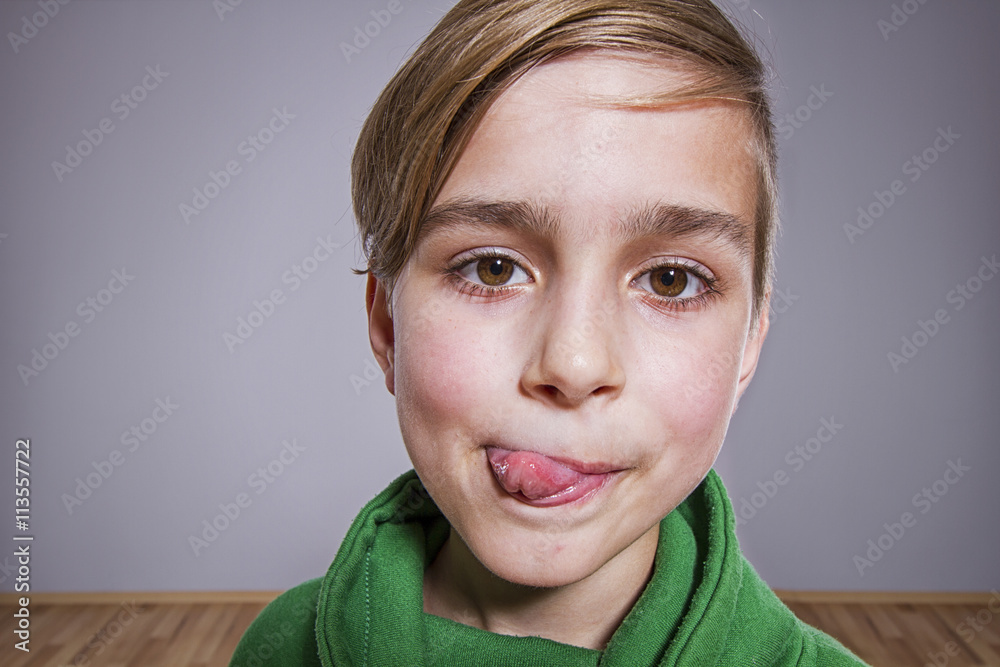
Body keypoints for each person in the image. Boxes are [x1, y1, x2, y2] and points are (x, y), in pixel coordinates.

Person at [230, 0, 869, 664]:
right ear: (387, 324)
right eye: (494, 267)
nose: (573, 362)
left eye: (671, 280)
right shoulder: (278, 647)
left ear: (748, 345)